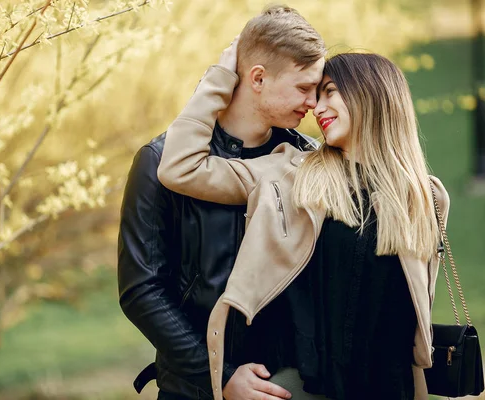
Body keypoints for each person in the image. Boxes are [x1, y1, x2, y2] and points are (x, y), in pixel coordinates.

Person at [157, 41, 450, 400]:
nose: (316, 107)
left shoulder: (424, 197)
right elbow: (181, 168)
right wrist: (221, 77)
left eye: (329, 93)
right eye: (313, 94)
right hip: (302, 389)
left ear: (372, 95)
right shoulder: (290, 173)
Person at [118, 5, 326, 399]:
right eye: (303, 88)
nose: (314, 102)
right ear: (258, 78)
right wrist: (221, 376)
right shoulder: (158, 161)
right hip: (192, 390)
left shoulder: (307, 160)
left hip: (288, 387)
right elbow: (141, 291)